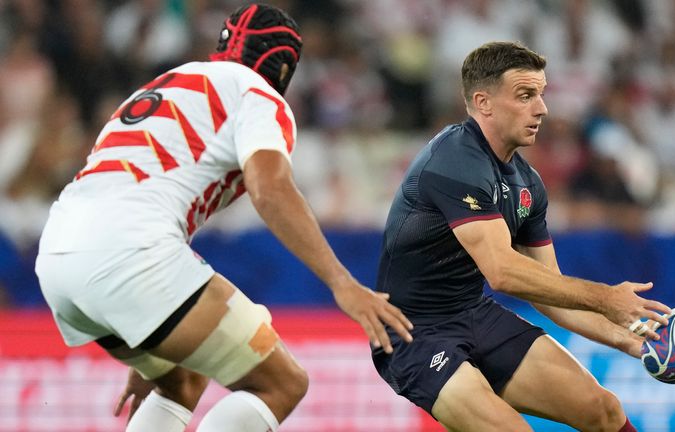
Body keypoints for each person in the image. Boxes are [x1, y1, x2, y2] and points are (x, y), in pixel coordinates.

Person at [35, 3, 413, 432]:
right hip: (129, 253)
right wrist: (341, 282)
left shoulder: (165, 86)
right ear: (285, 67)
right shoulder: (258, 94)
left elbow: (144, 188)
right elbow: (270, 189)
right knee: (281, 384)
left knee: (180, 381)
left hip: (59, 255)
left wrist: (142, 336)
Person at [371, 41, 671, 432]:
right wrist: (606, 297)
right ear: (484, 102)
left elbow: (549, 292)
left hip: (472, 314)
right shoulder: (453, 161)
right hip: (412, 333)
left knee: (604, 411)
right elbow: (503, 272)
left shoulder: (527, 183)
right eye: (526, 95)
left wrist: (630, 339)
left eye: (541, 95)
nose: (542, 108)